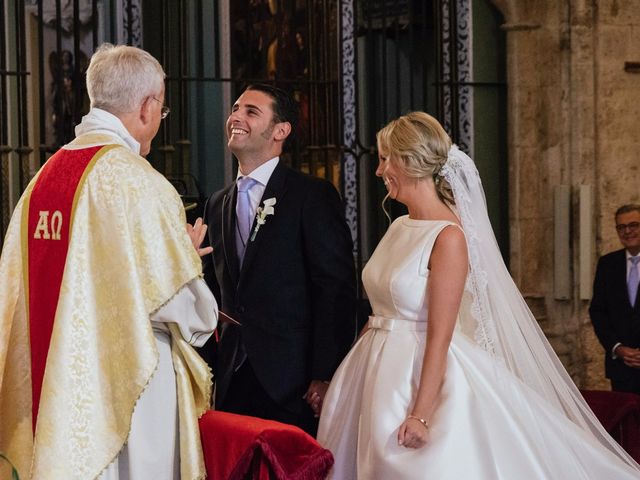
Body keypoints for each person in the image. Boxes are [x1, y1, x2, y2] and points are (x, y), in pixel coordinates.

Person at [317, 112, 640, 478]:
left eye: (386, 158)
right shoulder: (399, 226)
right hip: (372, 365)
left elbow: (441, 333)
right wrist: (345, 379)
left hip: (417, 374)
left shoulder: (449, 237)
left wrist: (421, 413)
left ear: (410, 160)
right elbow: (380, 311)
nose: (379, 170)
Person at [0, 44, 218, 480]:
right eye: (162, 107)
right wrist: (188, 271)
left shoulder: (42, 180)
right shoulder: (139, 182)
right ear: (147, 106)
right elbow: (182, 310)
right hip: (131, 386)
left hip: (59, 379)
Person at [199, 83, 357, 435]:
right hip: (231, 378)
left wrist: (325, 372)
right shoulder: (217, 203)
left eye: (251, 112)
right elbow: (212, 293)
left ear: (281, 131)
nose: (236, 117)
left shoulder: (310, 196)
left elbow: (335, 288)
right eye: (235, 109)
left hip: (293, 379)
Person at [590, 204, 640, 393]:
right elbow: (598, 311)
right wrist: (617, 348)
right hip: (621, 369)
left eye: (633, 225)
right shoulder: (607, 264)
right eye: (621, 227)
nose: (627, 231)